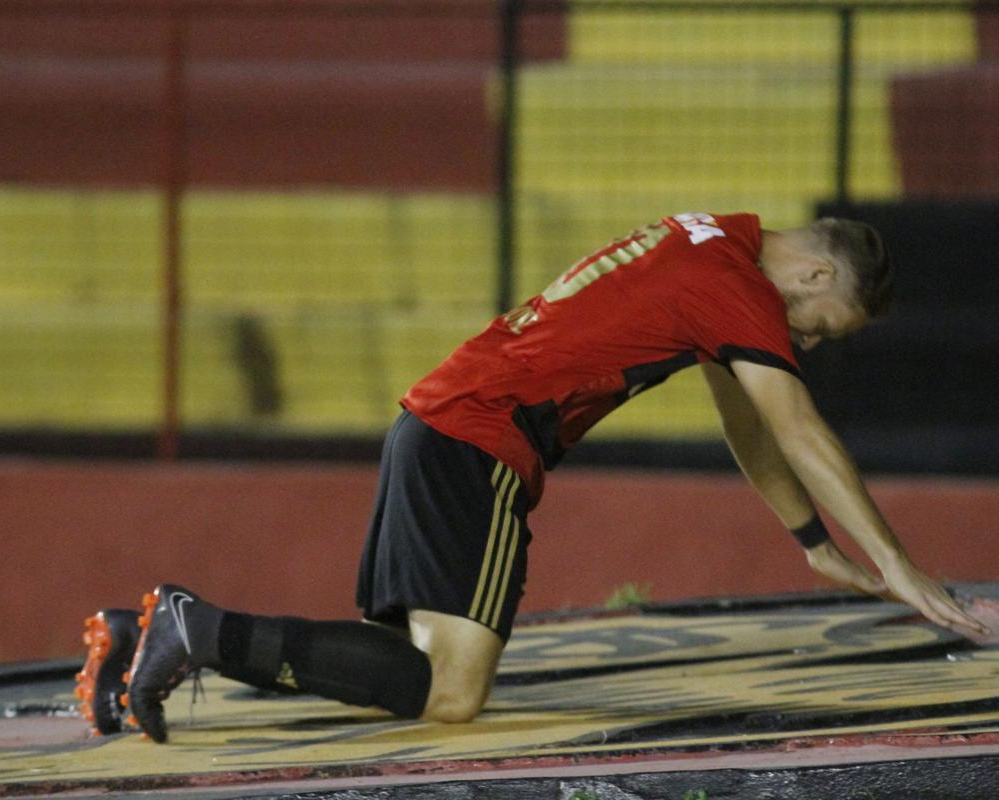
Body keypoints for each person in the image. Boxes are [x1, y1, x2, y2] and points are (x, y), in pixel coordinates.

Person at [74, 211, 988, 742]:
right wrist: (900, 566)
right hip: (479, 443)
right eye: (823, 325)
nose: (810, 342)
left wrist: (812, 540)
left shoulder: (713, 243)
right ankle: (193, 628)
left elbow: (749, 424)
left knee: (403, 671)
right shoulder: (737, 287)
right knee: (452, 693)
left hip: (433, 424)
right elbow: (798, 426)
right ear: (818, 271)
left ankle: (139, 641)